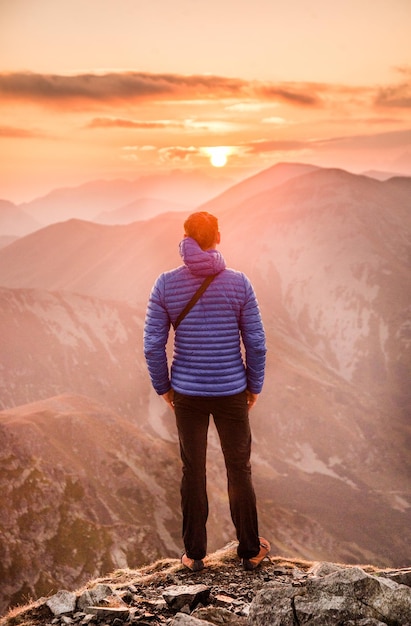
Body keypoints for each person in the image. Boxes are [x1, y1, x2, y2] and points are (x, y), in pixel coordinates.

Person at [143, 211, 269, 572]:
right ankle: (249, 550)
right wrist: (253, 385)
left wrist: (164, 387)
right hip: (232, 391)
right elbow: (256, 343)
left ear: (185, 238)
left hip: (187, 393)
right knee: (238, 469)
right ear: (218, 237)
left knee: (192, 470)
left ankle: (195, 554)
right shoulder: (239, 283)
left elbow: (153, 345)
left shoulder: (165, 284)